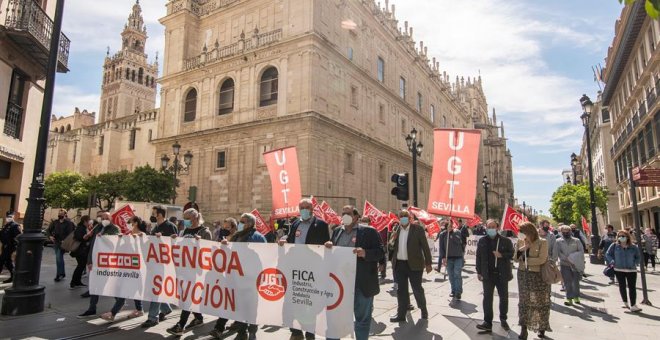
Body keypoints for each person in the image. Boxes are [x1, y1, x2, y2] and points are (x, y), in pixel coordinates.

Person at [325, 206, 384, 340]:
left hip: (361, 283)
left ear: (356, 217)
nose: (345, 216)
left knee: (362, 319)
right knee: (335, 318)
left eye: (349, 214)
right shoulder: (337, 231)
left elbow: (380, 253)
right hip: (340, 283)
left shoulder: (369, 232)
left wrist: (365, 253)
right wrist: (329, 246)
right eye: (343, 213)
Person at [209, 213, 267, 340]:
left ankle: (252, 332)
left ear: (250, 224)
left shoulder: (258, 238)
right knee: (239, 307)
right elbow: (231, 255)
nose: (240, 223)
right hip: (237, 278)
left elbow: (264, 257)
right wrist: (225, 245)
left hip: (251, 279)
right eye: (240, 221)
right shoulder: (236, 237)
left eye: (242, 221)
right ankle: (242, 332)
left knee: (251, 308)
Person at [278, 198, 330, 340]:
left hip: (311, 269)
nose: (305, 209)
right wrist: (284, 241)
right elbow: (290, 240)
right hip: (295, 267)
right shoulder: (295, 223)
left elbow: (326, 245)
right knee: (293, 300)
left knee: (308, 301)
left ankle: (310, 333)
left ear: (312, 209)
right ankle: (295, 332)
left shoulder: (321, 224)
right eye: (302, 207)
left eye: (307, 207)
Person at [166, 208, 213, 336]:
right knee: (188, 296)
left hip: (197, 271)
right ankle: (198, 318)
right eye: (184, 218)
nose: (185, 221)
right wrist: (175, 240)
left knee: (188, 297)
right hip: (185, 269)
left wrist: (199, 244)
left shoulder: (204, 232)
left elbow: (209, 251)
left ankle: (180, 325)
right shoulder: (185, 231)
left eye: (187, 218)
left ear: (195, 218)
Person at [99, 217, 146, 321]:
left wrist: (136, 238)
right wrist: (119, 240)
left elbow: (144, 248)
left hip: (136, 268)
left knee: (123, 291)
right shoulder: (128, 235)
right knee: (126, 290)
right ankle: (139, 309)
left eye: (129, 222)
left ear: (136, 223)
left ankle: (113, 313)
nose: (128, 224)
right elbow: (120, 249)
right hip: (126, 267)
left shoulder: (142, 235)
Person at [389, 210, 432, 322]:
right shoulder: (396, 229)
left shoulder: (418, 229)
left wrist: (428, 263)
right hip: (399, 264)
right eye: (401, 216)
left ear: (410, 218)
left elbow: (425, 247)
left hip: (415, 265)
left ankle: (423, 309)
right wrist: (391, 241)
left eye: (405, 216)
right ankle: (401, 314)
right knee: (401, 290)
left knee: (417, 289)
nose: (403, 218)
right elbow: (391, 246)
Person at [141, 206, 179, 328]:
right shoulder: (156, 227)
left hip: (165, 265)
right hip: (155, 263)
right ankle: (166, 308)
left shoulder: (170, 226)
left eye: (154, 212)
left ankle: (152, 318)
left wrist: (162, 239)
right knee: (156, 289)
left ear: (160, 214)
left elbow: (175, 244)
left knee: (156, 290)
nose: (153, 214)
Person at [78, 212, 120, 318]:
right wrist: (89, 261)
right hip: (96, 262)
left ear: (111, 218)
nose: (104, 219)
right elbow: (93, 246)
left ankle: (120, 303)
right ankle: (92, 308)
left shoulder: (114, 228)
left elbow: (115, 242)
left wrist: (104, 238)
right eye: (102, 217)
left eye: (106, 217)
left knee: (111, 285)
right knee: (94, 285)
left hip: (108, 263)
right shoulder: (98, 227)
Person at [475, 219, 514, 333]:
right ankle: (487, 322)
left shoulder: (505, 240)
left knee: (503, 298)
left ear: (497, 228)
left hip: (502, 274)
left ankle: (503, 319)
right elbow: (478, 257)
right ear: (486, 228)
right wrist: (479, 271)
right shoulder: (482, 241)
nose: (491, 229)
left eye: (493, 226)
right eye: (489, 227)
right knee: (487, 298)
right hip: (487, 275)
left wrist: (501, 255)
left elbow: (512, 253)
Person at [515, 222, 551, 340]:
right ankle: (523, 329)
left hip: (538, 276)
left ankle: (541, 327)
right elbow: (515, 258)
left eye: (522, 231)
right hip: (523, 275)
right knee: (524, 302)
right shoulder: (520, 241)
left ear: (530, 232)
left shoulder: (542, 242)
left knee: (540, 301)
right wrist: (523, 248)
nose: (520, 234)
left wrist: (525, 261)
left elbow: (541, 259)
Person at [606, 229, 642, 312]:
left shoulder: (633, 247)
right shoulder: (615, 245)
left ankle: (633, 305)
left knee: (632, 287)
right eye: (619, 236)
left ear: (627, 237)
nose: (621, 238)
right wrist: (612, 261)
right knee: (622, 286)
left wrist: (635, 263)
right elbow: (608, 254)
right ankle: (625, 302)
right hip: (618, 269)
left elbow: (638, 257)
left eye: (623, 236)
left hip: (631, 270)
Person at [554, 225, 584, 306]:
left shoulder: (576, 240)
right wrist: (566, 259)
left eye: (567, 232)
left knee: (575, 282)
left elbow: (581, 251)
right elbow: (558, 252)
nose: (565, 233)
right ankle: (569, 298)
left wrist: (572, 258)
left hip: (575, 265)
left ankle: (576, 297)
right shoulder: (558, 241)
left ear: (570, 232)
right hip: (564, 264)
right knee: (567, 282)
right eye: (564, 232)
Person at [438, 218, 466, 300]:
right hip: (448, 258)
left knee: (457, 274)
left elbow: (459, 242)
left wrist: (451, 234)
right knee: (451, 275)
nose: (449, 227)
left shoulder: (457, 232)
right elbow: (441, 247)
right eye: (448, 226)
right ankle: (453, 290)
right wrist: (443, 257)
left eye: (451, 225)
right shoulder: (442, 234)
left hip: (458, 257)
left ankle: (458, 292)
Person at [47, 209, 75, 282]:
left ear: (65, 214)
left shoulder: (69, 223)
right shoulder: (55, 222)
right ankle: (61, 273)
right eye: (59, 213)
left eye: (61, 213)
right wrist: (50, 236)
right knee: (59, 258)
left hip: (63, 243)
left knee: (58, 257)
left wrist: (65, 240)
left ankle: (59, 274)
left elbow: (71, 233)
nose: (60, 215)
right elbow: (48, 230)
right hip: (56, 242)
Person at [69, 215, 93, 289]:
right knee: (80, 266)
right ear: (85, 221)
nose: (90, 222)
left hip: (82, 250)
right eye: (89, 220)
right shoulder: (80, 228)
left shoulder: (84, 228)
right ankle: (73, 282)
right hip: (80, 251)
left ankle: (77, 282)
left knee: (81, 266)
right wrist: (86, 237)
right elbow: (79, 237)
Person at [0, 211, 21, 283]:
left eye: (10, 217)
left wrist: (14, 246)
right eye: (7, 217)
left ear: (13, 217)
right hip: (5, 246)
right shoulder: (6, 225)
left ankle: (14, 276)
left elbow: (18, 237)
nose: (8, 218)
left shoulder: (15, 226)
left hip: (10, 247)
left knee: (1, 261)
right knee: (7, 262)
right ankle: (13, 276)